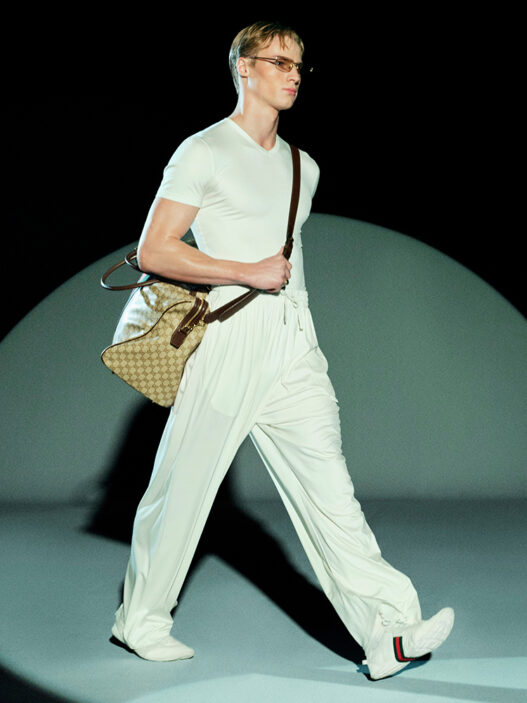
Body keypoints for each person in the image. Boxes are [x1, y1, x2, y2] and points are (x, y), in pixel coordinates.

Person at [110, 20, 454, 680]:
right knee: (183, 489)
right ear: (244, 67)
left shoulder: (305, 166)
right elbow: (154, 250)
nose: (293, 75)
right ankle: (141, 620)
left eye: (299, 65)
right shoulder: (203, 151)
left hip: (294, 344)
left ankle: (387, 632)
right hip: (227, 340)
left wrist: (292, 318)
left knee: (332, 494)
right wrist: (245, 270)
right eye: (278, 62)